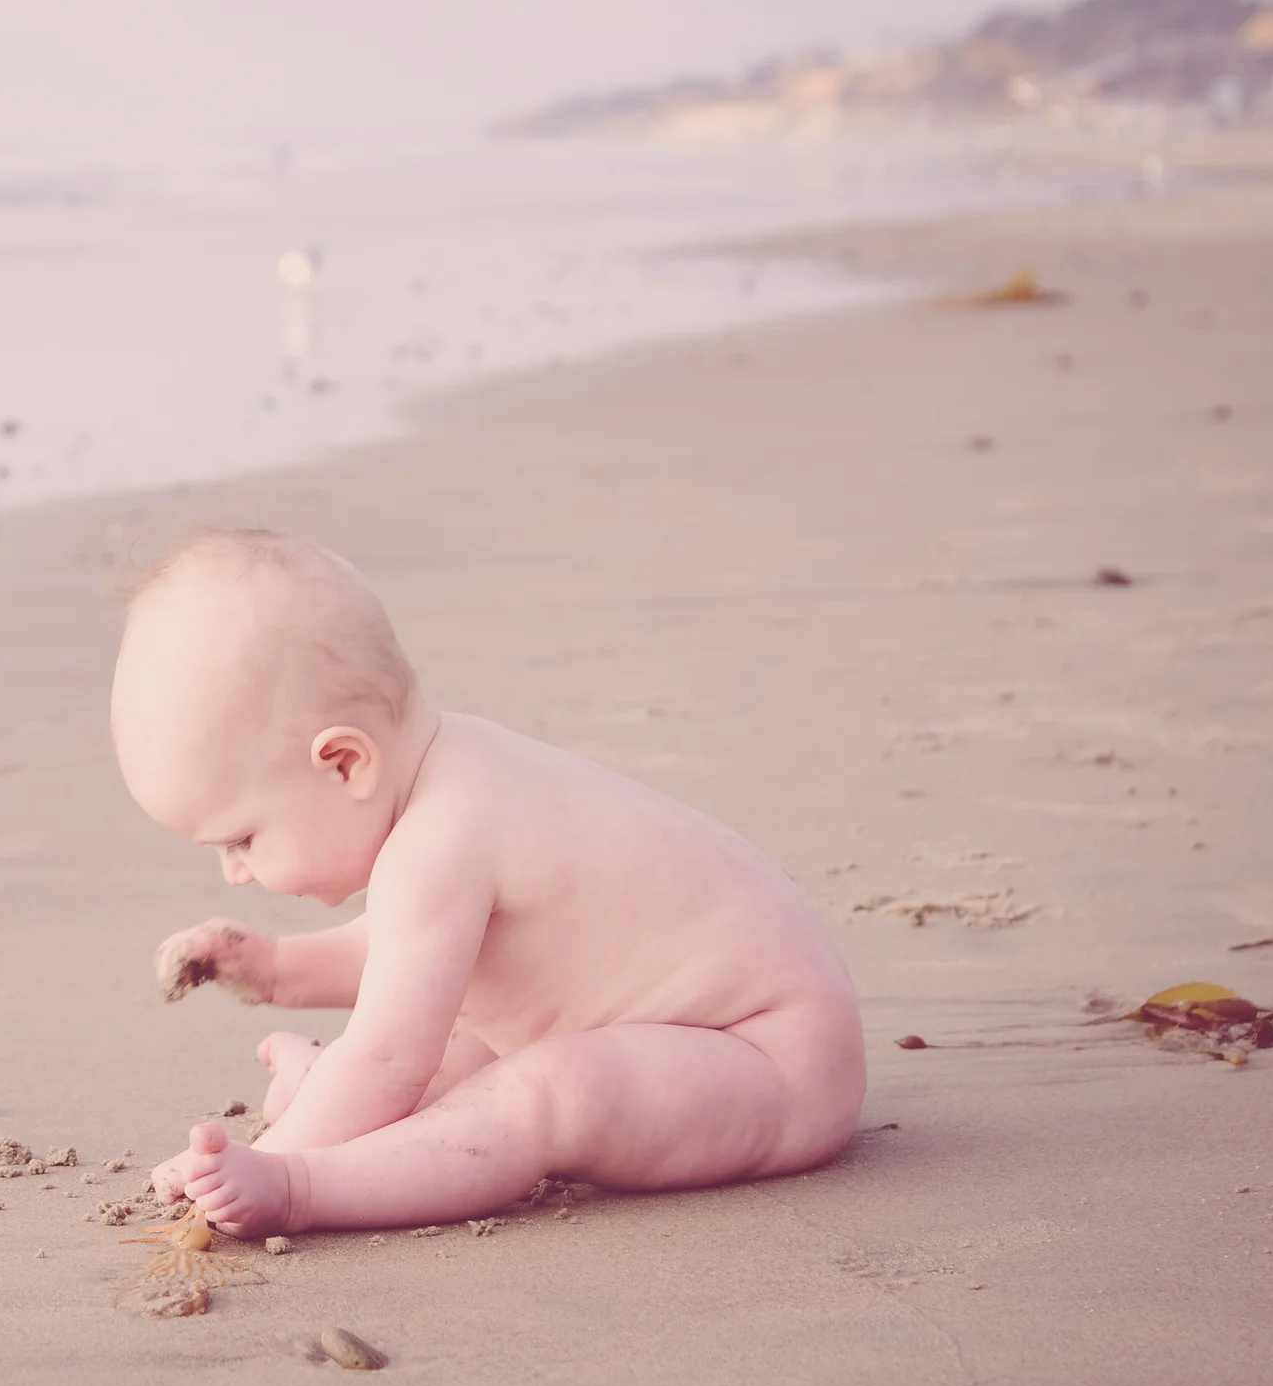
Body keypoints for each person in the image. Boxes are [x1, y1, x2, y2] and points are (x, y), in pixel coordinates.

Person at [110, 529, 866, 1235]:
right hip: (697, 1039)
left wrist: (281, 1160)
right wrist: (274, 968)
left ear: (346, 763)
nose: (234, 872)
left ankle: (310, 1186)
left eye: (242, 839)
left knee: (538, 1092)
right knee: (462, 1057)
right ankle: (320, 1105)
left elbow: (385, 1059)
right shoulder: (455, 770)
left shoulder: (441, 842)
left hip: (772, 1062)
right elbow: (411, 955)